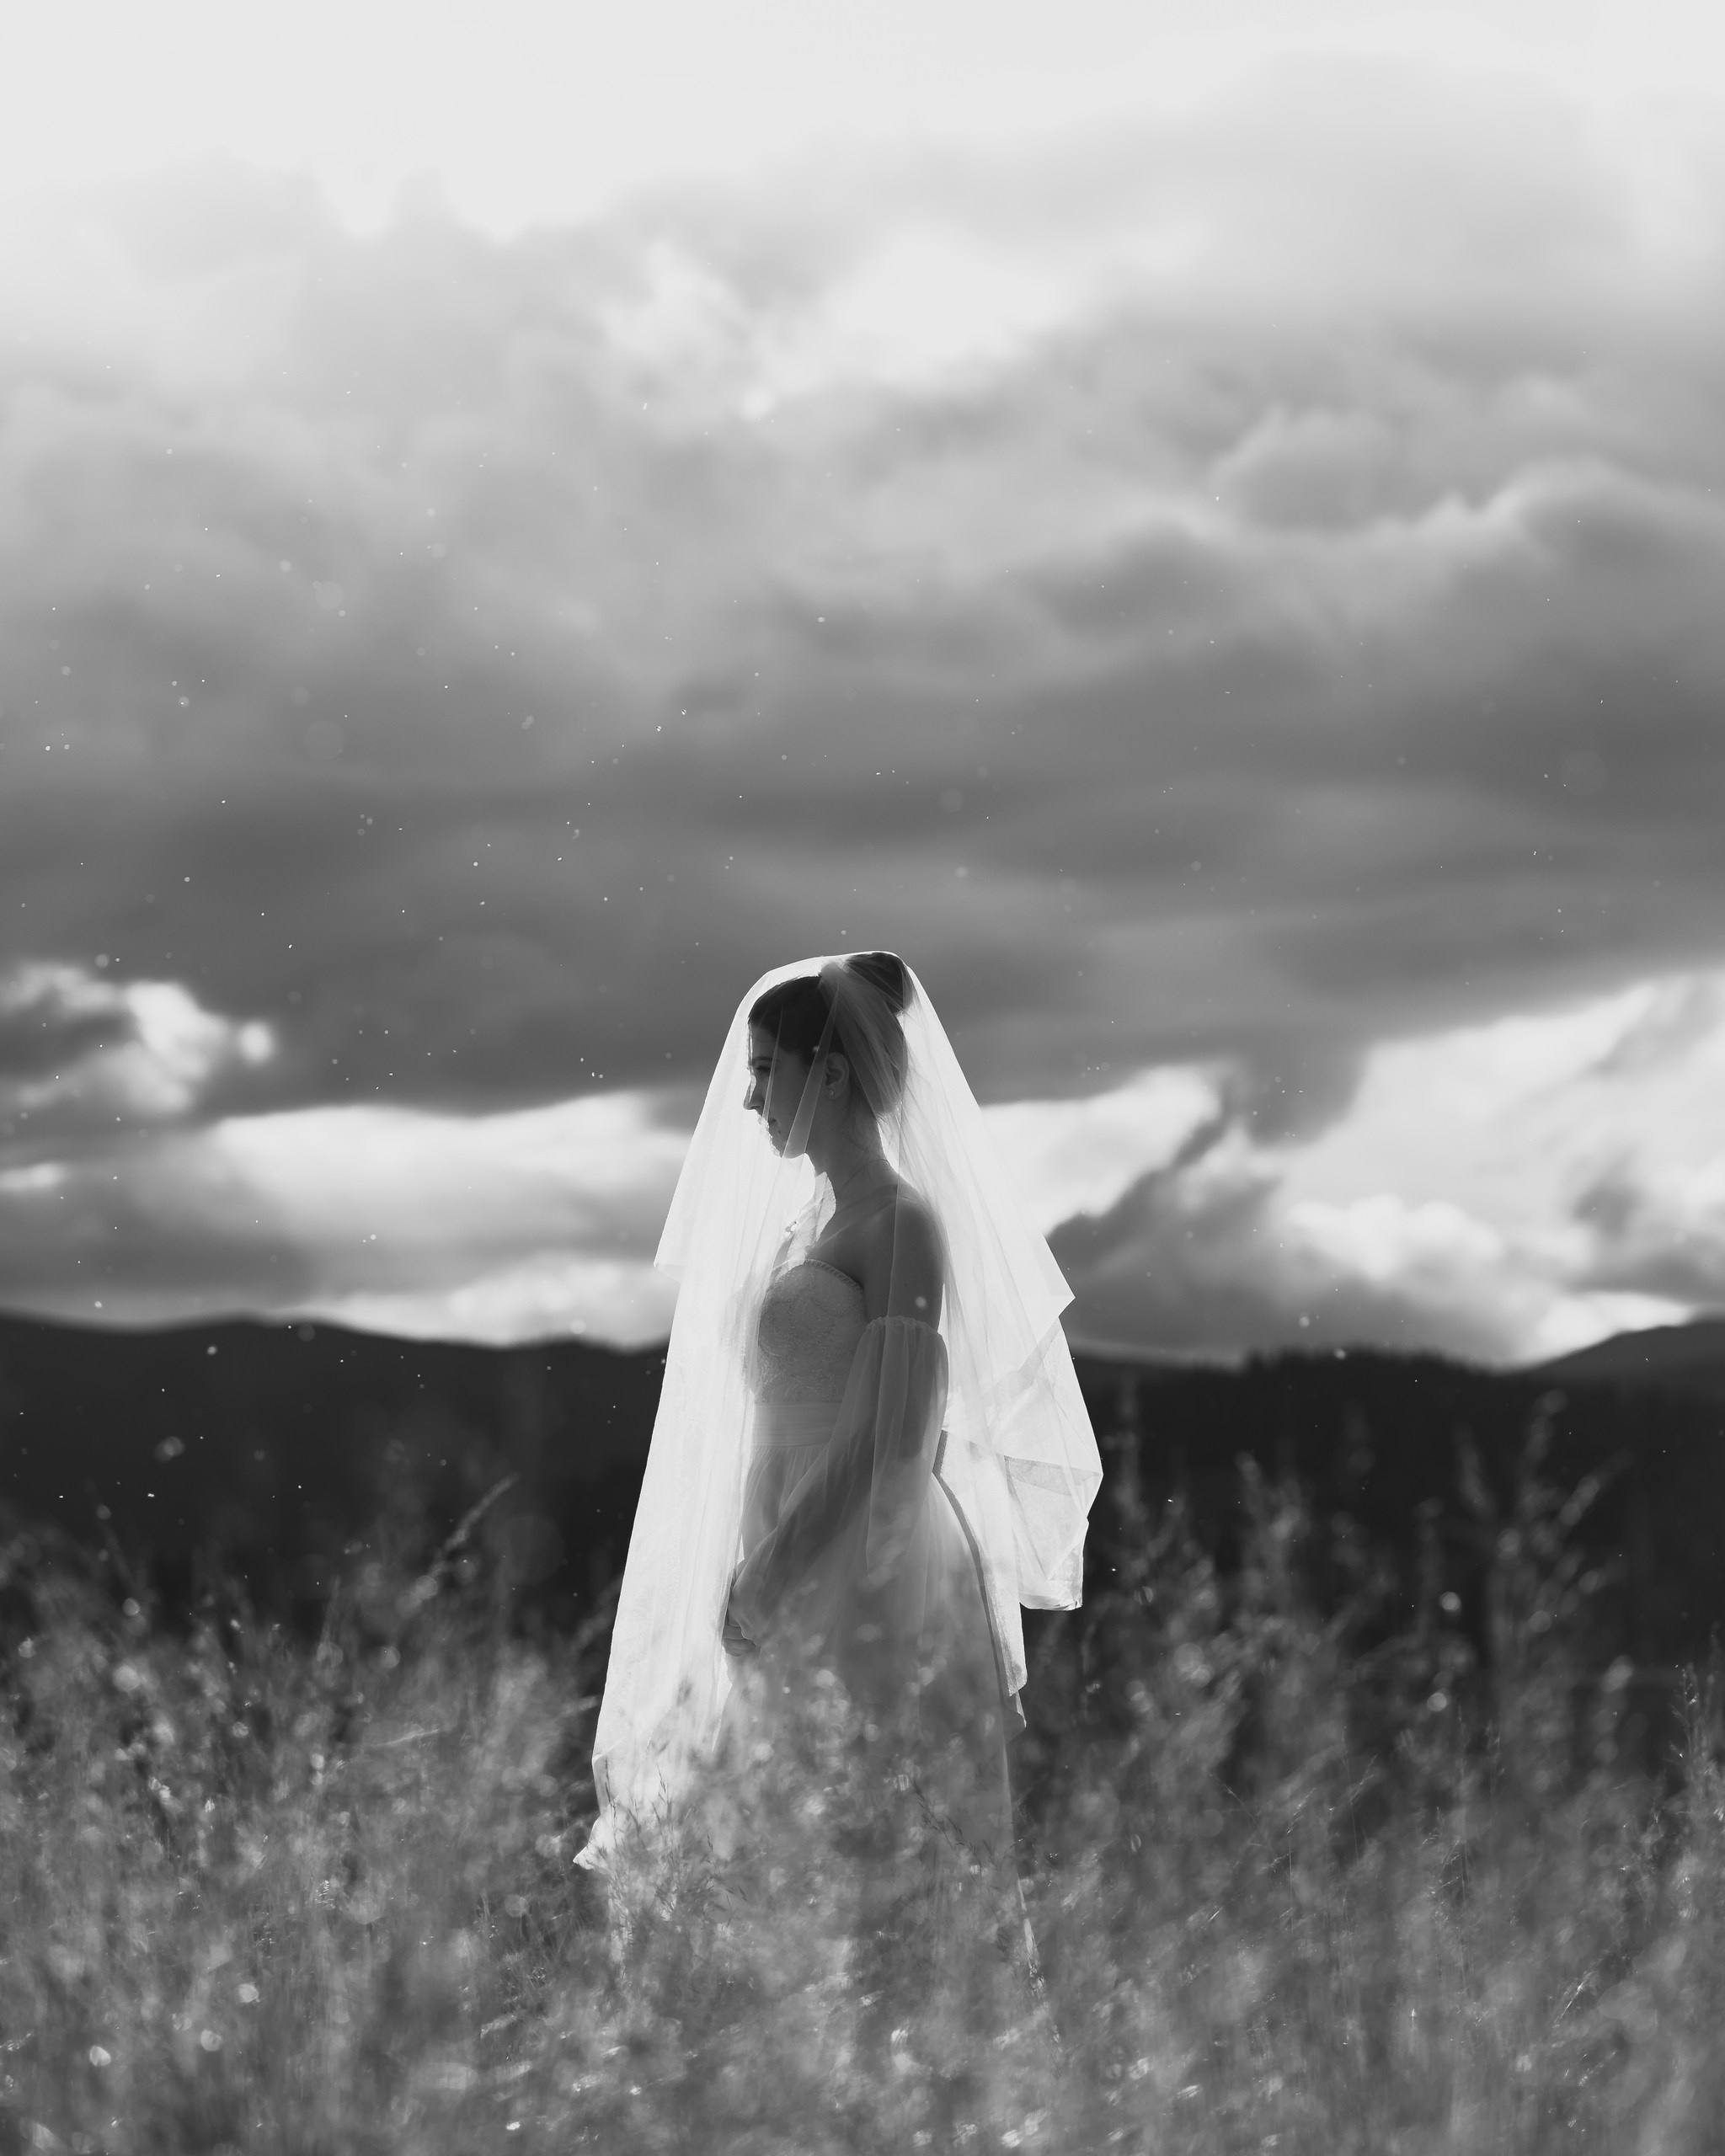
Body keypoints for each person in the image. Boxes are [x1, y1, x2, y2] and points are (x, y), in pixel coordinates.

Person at [579, 952, 1102, 2014]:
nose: (748, 1097)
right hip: (784, 1533)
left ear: (828, 1073)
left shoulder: (900, 1226)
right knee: (780, 1832)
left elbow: (888, 1438)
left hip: (865, 1558)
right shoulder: (804, 1228)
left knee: (864, 1827)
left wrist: (772, 1571)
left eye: (766, 1070)